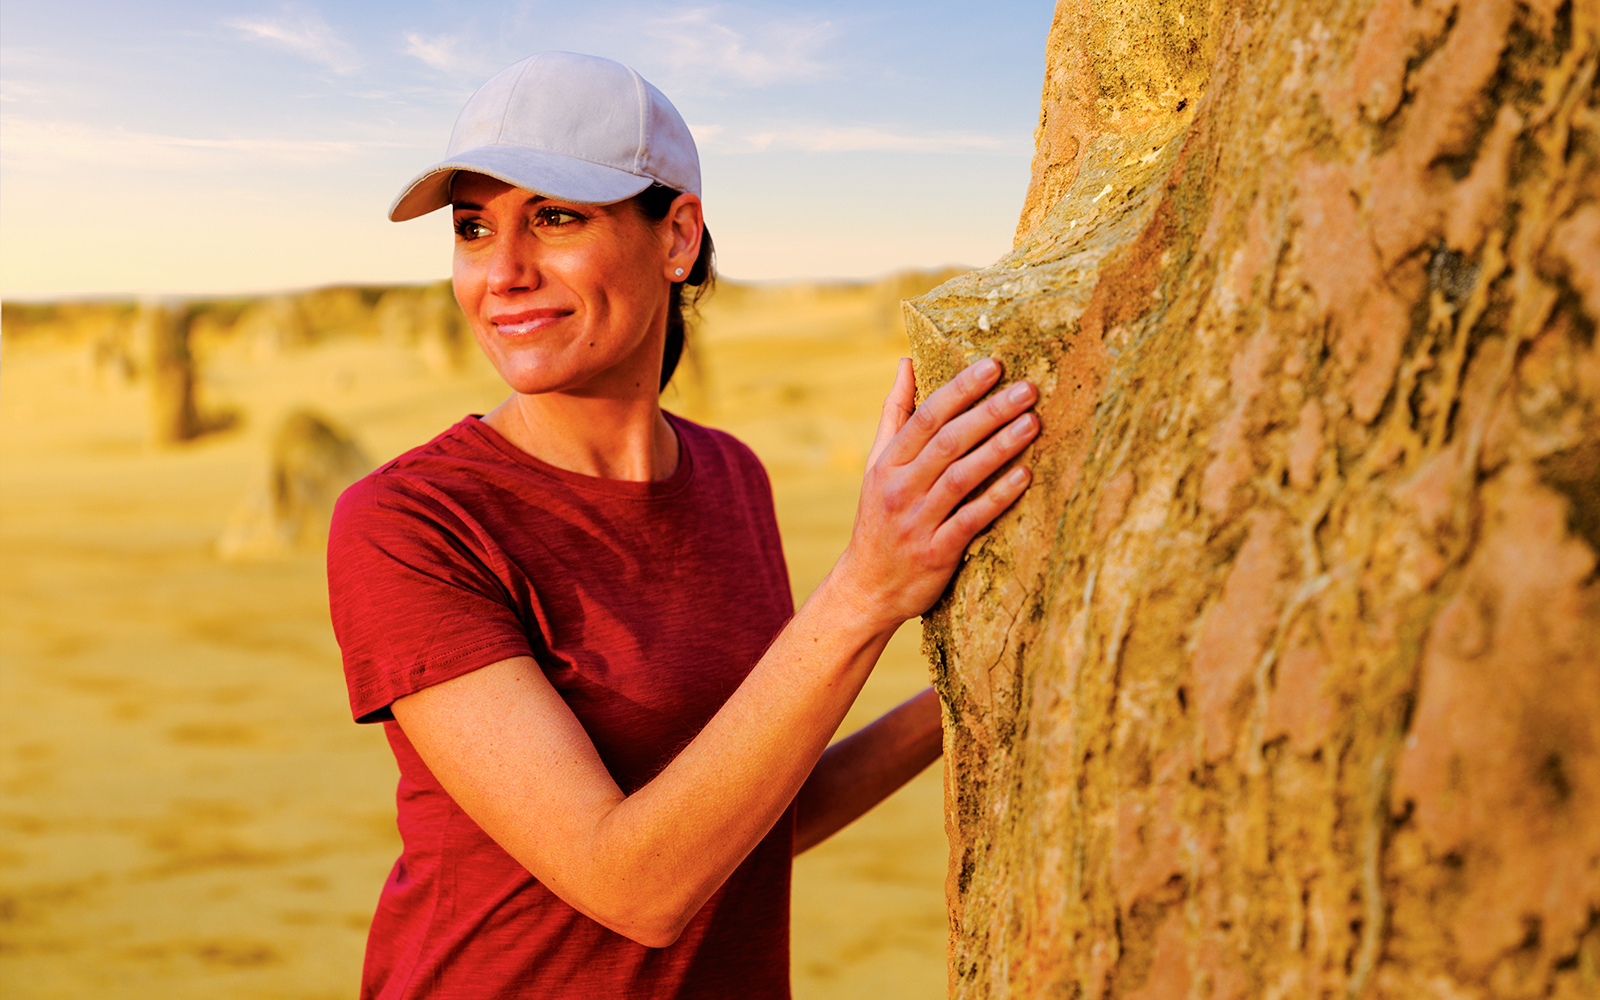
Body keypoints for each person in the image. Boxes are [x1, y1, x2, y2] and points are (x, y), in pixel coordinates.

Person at [326, 51, 1039, 999]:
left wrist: (989, 684)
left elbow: (757, 810)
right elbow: (636, 884)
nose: (503, 272)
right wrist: (867, 588)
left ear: (677, 237)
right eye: (472, 229)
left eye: (556, 217)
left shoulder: (730, 476)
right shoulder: (413, 523)